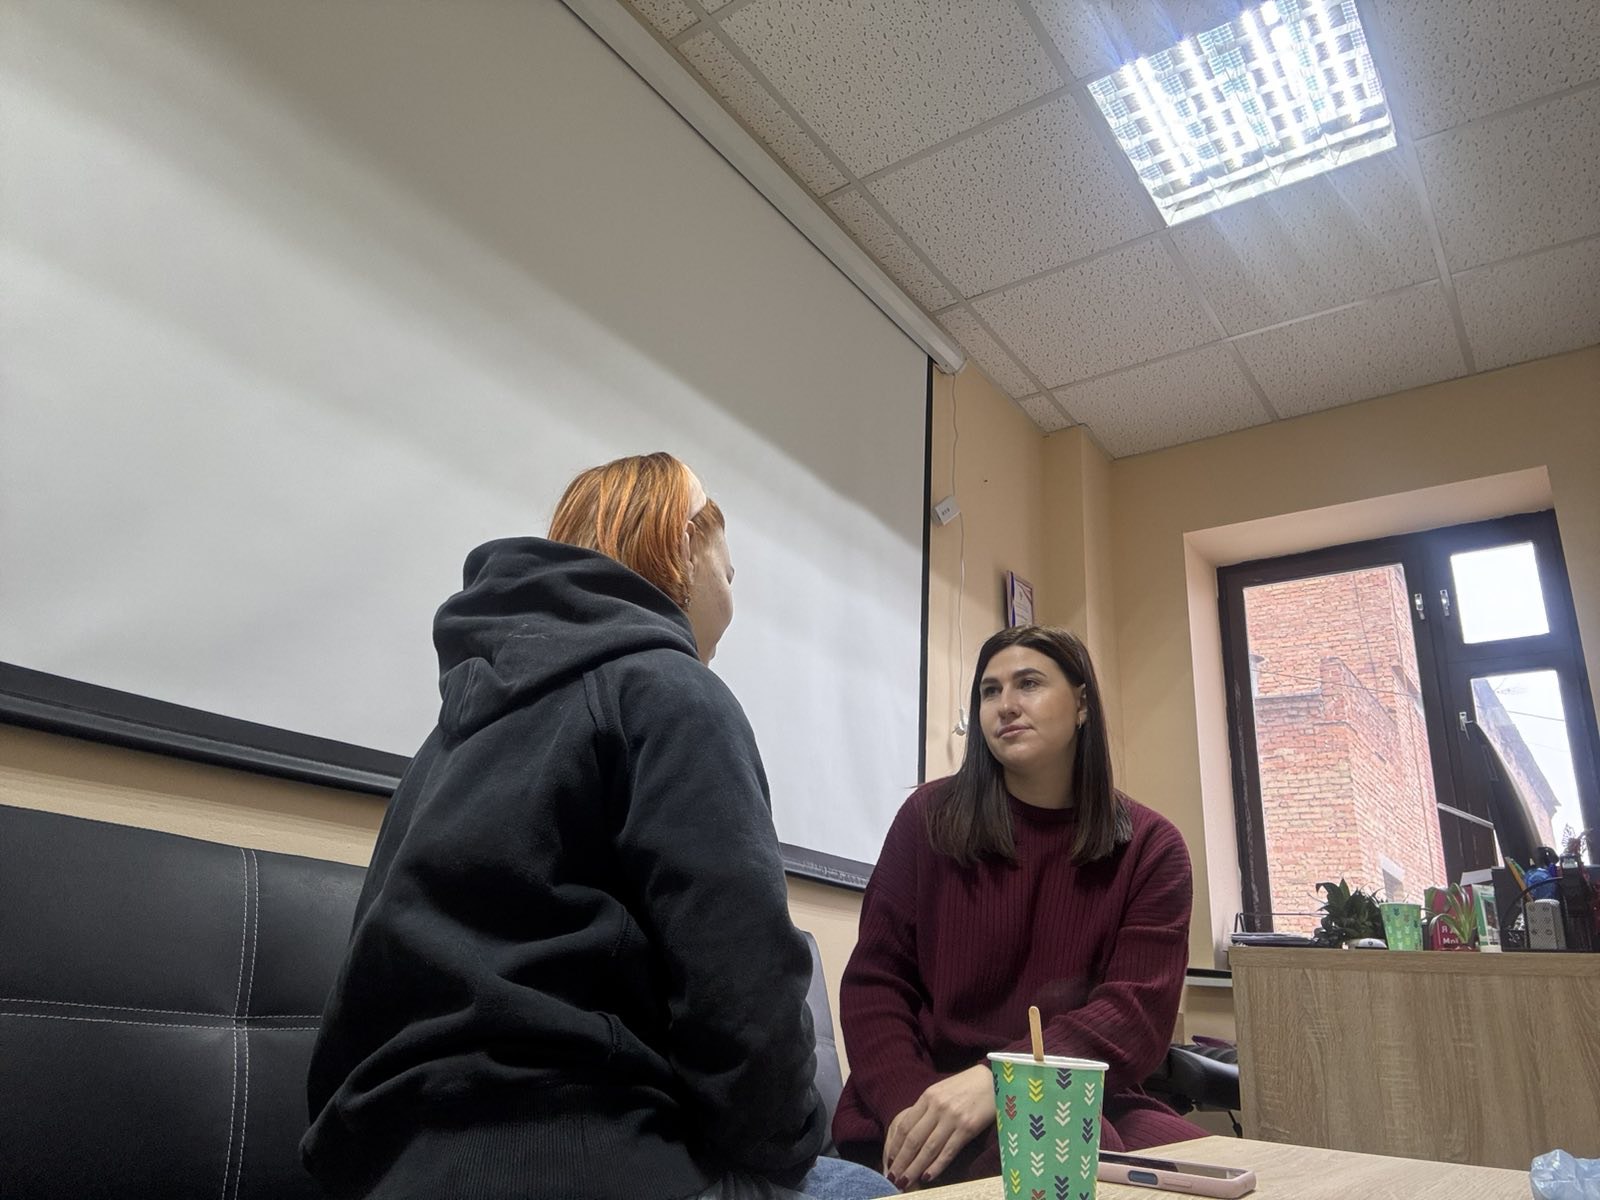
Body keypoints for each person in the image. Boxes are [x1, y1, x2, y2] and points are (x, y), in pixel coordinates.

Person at [302, 452, 894, 1200]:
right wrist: (788, 1150)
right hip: (586, 1157)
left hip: (389, 1171)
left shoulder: (446, 739)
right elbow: (745, 1006)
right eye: (730, 568)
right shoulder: (675, 690)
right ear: (683, 545)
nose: (733, 591)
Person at [832, 625, 1206, 1190]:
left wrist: (1006, 1083)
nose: (1005, 706)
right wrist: (916, 1110)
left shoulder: (1152, 848)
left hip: (1086, 1093)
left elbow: (1134, 1014)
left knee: (1219, 1162)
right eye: (989, 691)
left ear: (1082, 704)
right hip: (927, 1092)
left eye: (1028, 683)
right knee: (1069, 1156)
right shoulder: (927, 819)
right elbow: (875, 987)